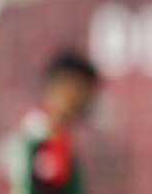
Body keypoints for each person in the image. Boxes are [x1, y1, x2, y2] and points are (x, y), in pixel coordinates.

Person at [5, 51, 99, 194]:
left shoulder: (66, 144)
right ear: (56, 86)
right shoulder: (32, 138)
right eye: (77, 90)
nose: (81, 100)